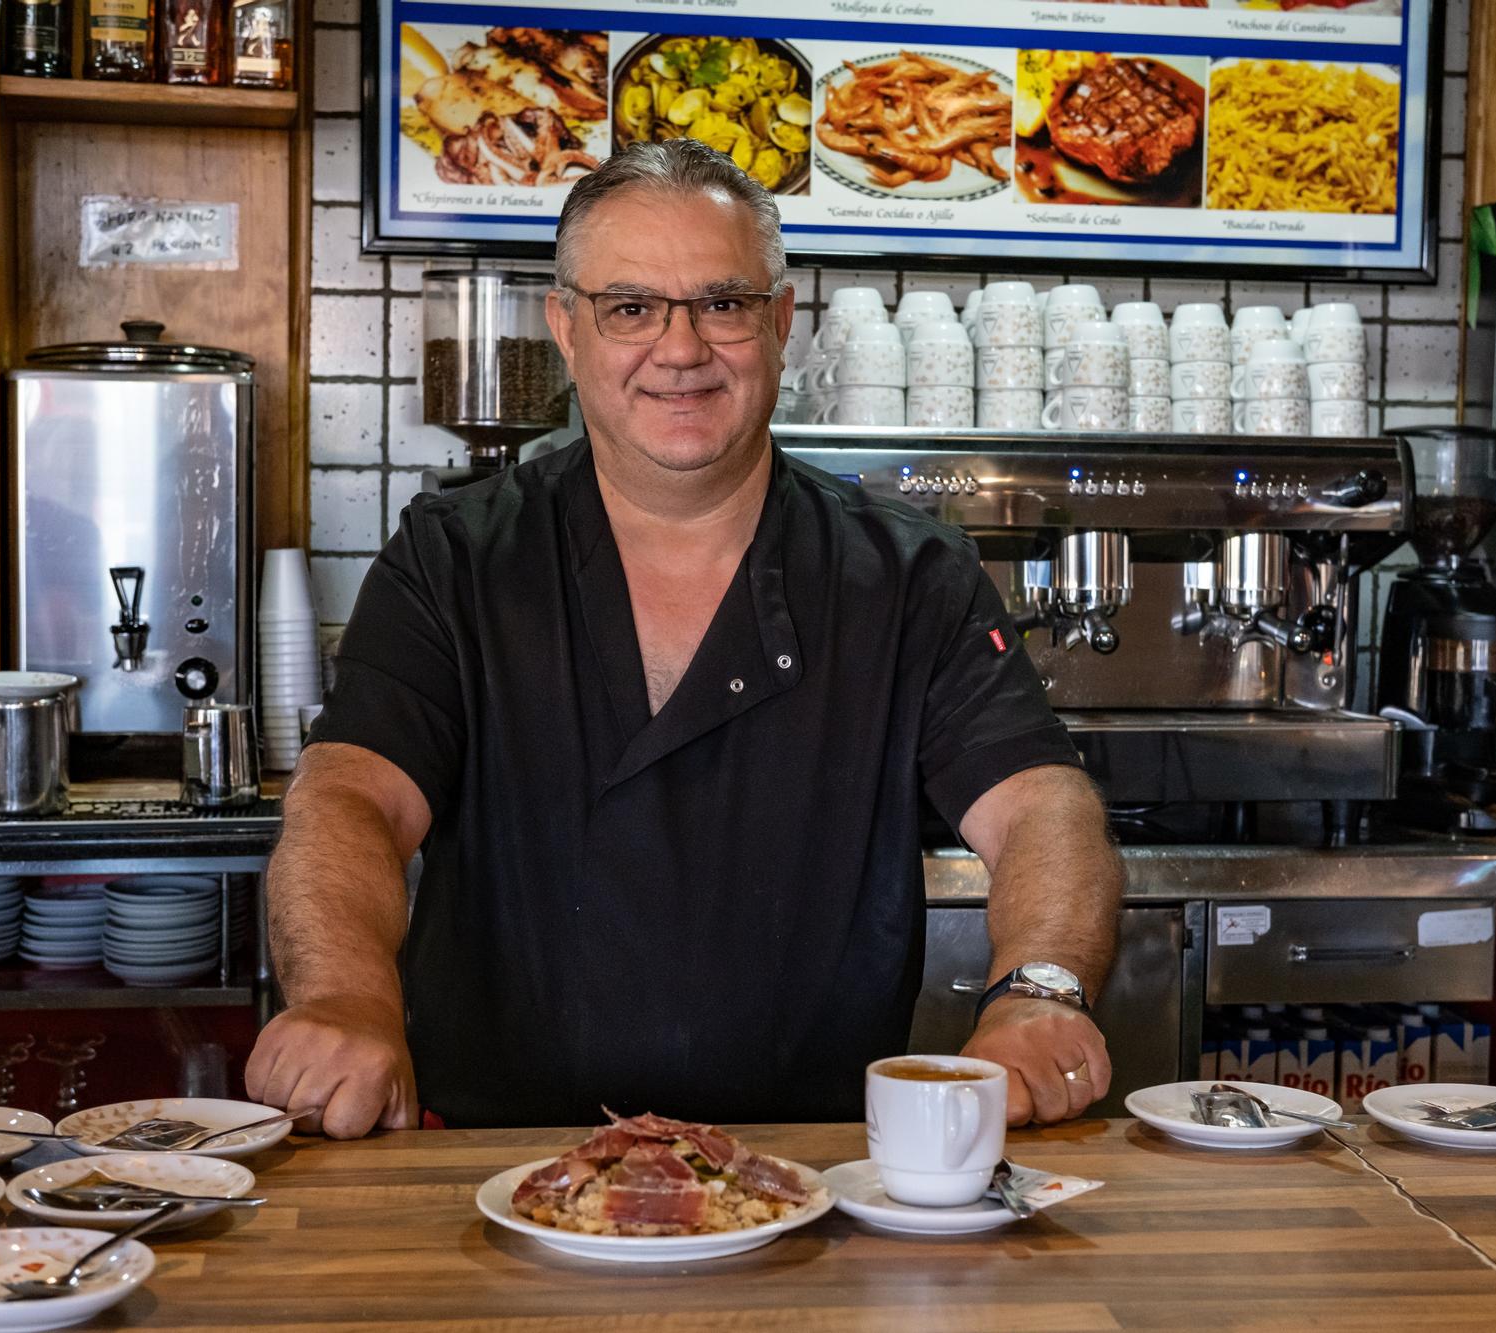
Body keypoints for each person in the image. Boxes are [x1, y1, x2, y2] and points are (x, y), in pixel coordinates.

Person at [247, 140, 1122, 1137]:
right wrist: (346, 995)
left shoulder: (908, 576)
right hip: (490, 1178)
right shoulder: (454, 559)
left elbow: (1040, 805)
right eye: (629, 308)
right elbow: (350, 796)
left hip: (818, 1182)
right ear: (566, 329)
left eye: (722, 303)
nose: (679, 348)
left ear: (781, 321)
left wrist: (1038, 988)